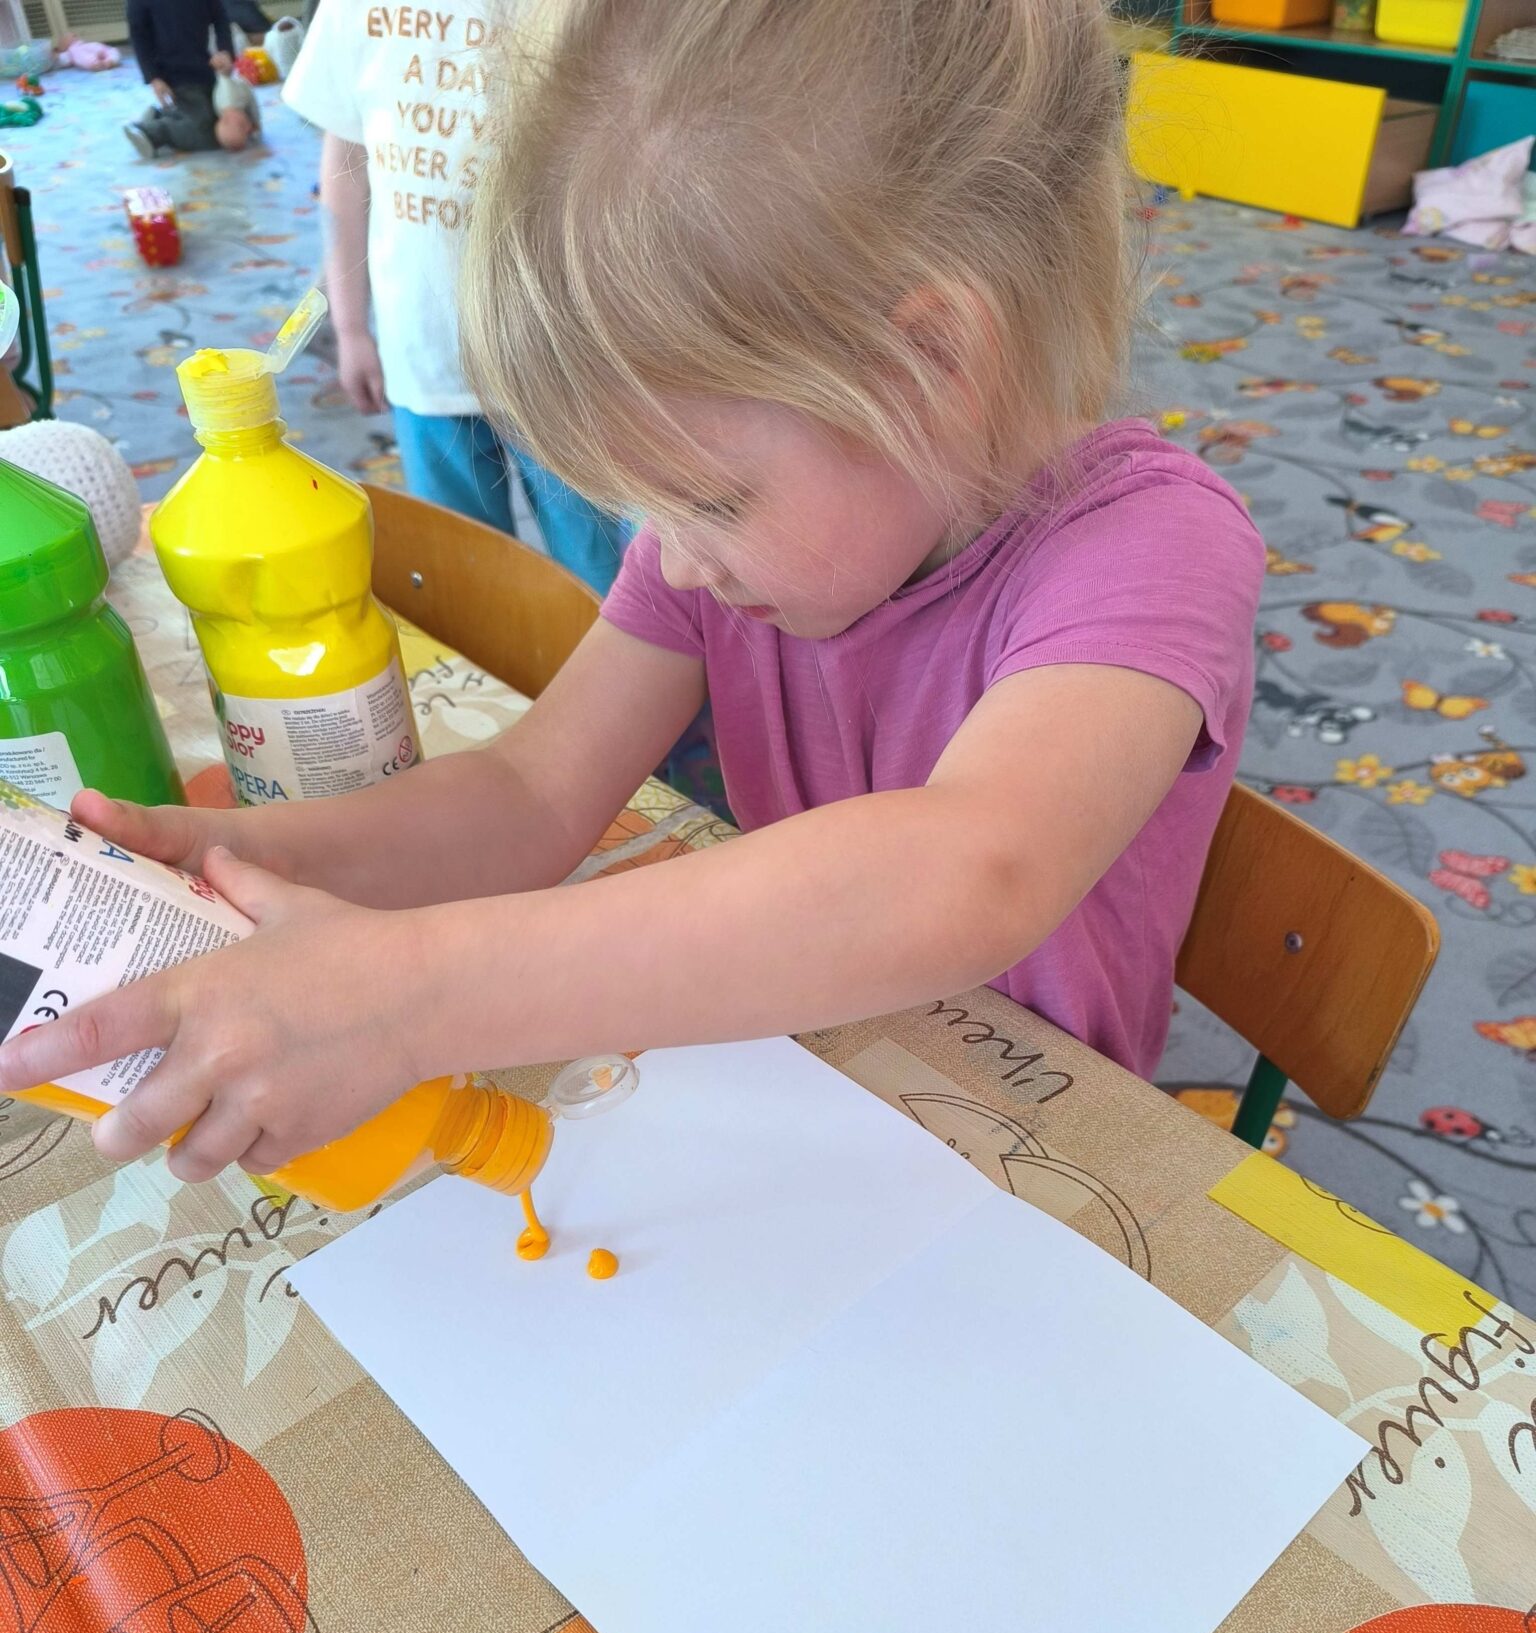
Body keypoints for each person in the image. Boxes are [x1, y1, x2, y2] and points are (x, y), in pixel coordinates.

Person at [0, 0, 1265, 1190]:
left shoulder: (1148, 547)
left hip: (1033, 1155)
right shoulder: (722, 552)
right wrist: (253, 857)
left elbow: (966, 867)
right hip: (798, 1080)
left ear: (928, 364)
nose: (673, 553)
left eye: (709, 498)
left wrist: (407, 992)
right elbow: (529, 791)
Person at [279, 0, 626, 591]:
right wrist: (350, 327)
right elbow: (345, 167)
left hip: (554, 349)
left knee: (596, 568)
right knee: (462, 572)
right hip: (423, 345)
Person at [124, 0, 254, 157]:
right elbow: (139, 36)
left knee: (227, 122)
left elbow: (220, 18)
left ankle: (165, 116)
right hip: (174, 76)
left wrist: (225, 51)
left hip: (207, 71)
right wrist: (154, 77)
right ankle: (151, 131)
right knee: (210, 134)